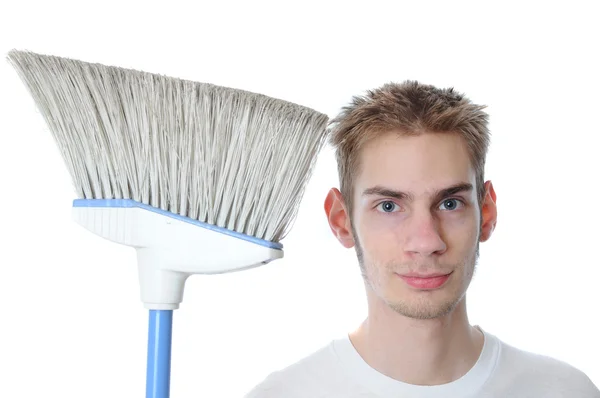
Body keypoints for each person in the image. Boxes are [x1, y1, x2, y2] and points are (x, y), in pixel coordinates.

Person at [244, 81, 600, 397]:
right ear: (342, 220)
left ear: (486, 213)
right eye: (388, 205)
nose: (426, 240)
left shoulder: (564, 391)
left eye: (449, 203)